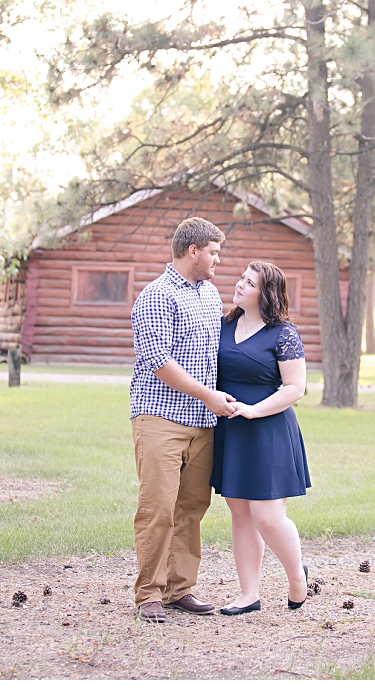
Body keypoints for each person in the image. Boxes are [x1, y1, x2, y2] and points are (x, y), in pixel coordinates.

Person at [129, 217, 237, 623]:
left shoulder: (210, 294)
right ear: (193, 251)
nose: (218, 261)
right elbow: (159, 361)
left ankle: (179, 589)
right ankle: (149, 594)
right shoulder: (156, 296)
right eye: (214, 253)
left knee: (191, 508)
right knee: (158, 508)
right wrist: (208, 395)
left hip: (202, 424)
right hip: (159, 417)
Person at [211, 261, 311, 615]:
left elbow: (296, 387)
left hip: (267, 429)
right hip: (232, 430)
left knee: (267, 516)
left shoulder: (282, 333)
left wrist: (254, 410)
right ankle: (248, 594)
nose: (239, 285)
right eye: (241, 278)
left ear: (264, 293)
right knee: (240, 514)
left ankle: (298, 578)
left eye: (249, 282)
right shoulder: (225, 323)